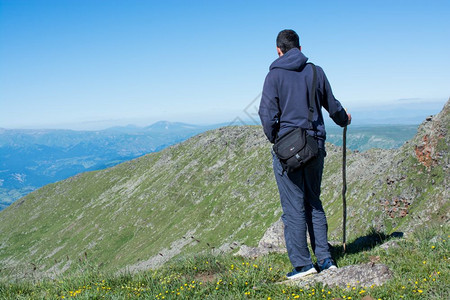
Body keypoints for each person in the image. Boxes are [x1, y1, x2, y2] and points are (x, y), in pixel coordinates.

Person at [258, 29, 351, 279]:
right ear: (299, 48)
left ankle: (302, 266)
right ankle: (325, 259)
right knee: (313, 202)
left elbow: (266, 115)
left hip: (288, 150)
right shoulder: (315, 71)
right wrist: (344, 119)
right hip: (314, 146)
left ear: (279, 50)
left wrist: (278, 139)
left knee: (293, 207)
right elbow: (333, 106)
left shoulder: (274, 76)